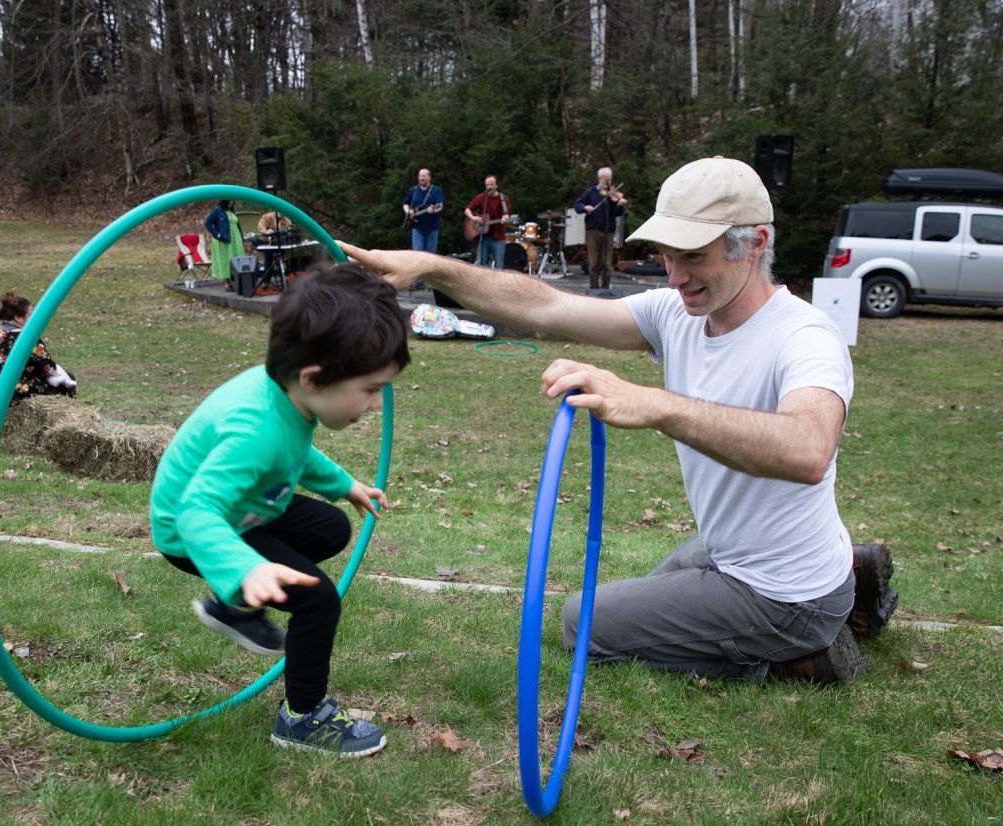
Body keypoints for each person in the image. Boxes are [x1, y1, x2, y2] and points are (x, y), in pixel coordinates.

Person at [340, 156, 898, 685]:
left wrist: (656, 405)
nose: (675, 276)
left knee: (584, 623)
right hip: (736, 550)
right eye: (668, 255)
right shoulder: (677, 314)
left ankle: (807, 651)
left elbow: (807, 449)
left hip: (782, 592)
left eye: (693, 256)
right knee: (652, 592)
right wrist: (432, 266)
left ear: (756, 243)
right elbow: (543, 305)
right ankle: (852, 575)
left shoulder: (805, 337)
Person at [150, 264, 411, 755]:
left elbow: (296, 452)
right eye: (371, 388)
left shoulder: (287, 397)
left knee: (331, 527)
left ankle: (232, 605)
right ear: (314, 378)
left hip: (242, 508)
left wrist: (346, 485)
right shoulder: (254, 429)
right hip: (196, 529)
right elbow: (194, 511)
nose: (378, 404)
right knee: (317, 599)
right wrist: (245, 568)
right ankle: (302, 717)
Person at [0, 291, 77, 405]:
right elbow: (50, 370)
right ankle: (72, 412)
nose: (35, 318)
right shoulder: (27, 338)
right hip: (17, 395)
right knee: (69, 377)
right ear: (18, 318)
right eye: (31, 315)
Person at [573, 166, 628, 289]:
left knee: (607, 264)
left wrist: (619, 206)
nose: (608, 182)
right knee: (593, 264)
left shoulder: (612, 194)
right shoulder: (591, 192)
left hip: (609, 231)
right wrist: (585, 207)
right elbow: (577, 205)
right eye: (606, 179)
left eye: (610, 179)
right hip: (593, 231)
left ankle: (605, 288)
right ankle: (593, 289)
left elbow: (617, 214)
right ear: (599, 178)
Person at [464, 175, 511, 269]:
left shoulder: (503, 198)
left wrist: (505, 218)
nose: (489, 187)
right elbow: (467, 210)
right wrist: (473, 218)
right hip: (484, 236)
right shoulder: (482, 197)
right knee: (480, 264)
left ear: (496, 185)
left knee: (499, 265)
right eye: (487, 185)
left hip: (498, 236)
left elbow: (506, 214)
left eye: (491, 184)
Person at [403, 168, 445, 253]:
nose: (421, 178)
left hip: (432, 228)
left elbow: (439, 206)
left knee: (431, 255)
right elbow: (405, 203)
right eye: (420, 176)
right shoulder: (413, 190)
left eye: (424, 176)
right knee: (417, 254)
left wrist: (433, 210)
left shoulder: (436, 190)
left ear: (429, 177)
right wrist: (408, 211)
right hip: (417, 227)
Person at [205, 199, 241, 291]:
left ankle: (236, 279)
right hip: (224, 239)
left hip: (235, 239)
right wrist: (217, 234)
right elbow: (208, 223)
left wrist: (241, 236)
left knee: (237, 257)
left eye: (233, 201)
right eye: (230, 201)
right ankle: (227, 282)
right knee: (226, 259)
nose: (231, 203)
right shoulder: (217, 211)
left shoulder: (231, 212)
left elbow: (237, 225)